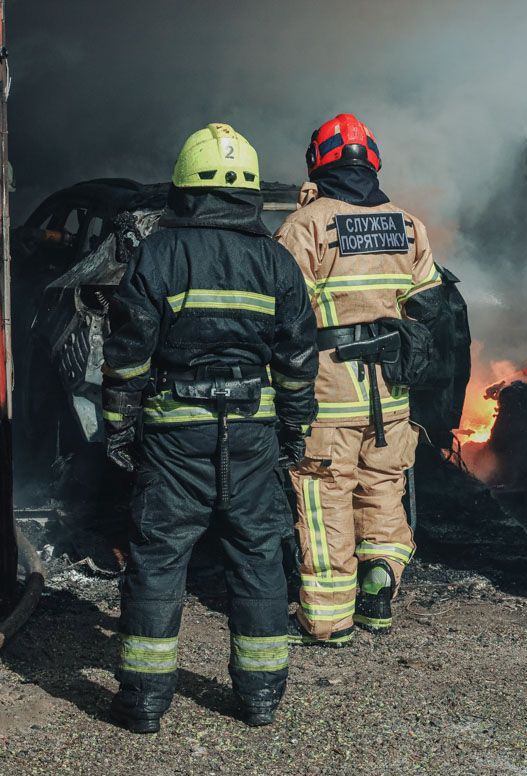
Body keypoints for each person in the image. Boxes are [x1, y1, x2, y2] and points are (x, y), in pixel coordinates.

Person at [101, 123, 318, 731]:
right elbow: (299, 360)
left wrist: (120, 429)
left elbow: (127, 358)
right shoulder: (275, 261)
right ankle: (260, 698)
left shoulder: (156, 257)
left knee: (158, 560)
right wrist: (294, 428)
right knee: (257, 559)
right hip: (252, 437)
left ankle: (143, 702)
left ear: (184, 189)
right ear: (248, 190)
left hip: (175, 442)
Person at [275, 113, 444, 646]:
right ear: (372, 160)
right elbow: (432, 305)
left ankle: (327, 620)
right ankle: (379, 586)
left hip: (328, 396)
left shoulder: (306, 226)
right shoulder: (408, 224)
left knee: (325, 498)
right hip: (391, 395)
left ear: (316, 162)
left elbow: (281, 315)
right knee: (383, 488)